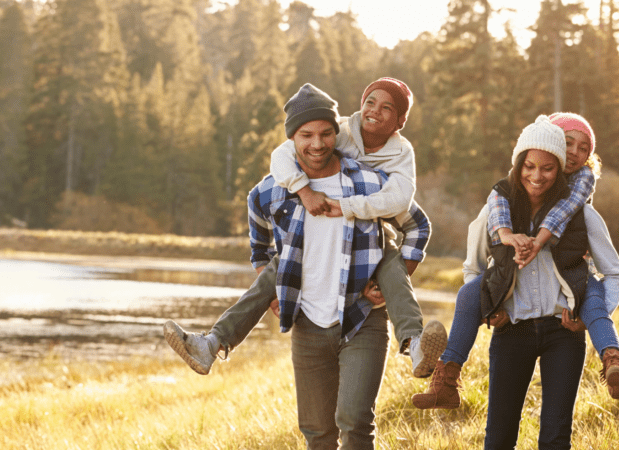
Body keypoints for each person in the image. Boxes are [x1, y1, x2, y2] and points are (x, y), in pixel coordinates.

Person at [239, 84, 431, 450]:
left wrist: (393, 276)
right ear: (293, 139)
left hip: (362, 317)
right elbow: (257, 220)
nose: (319, 143)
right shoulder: (277, 185)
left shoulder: (367, 179)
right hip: (307, 320)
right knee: (317, 434)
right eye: (306, 135)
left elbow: (417, 222)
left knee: (354, 421)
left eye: (326, 133)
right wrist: (268, 280)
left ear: (335, 134)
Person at [164, 78, 446, 380]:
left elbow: (405, 204)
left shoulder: (399, 156)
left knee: (391, 264)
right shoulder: (337, 132)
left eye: (386, 107)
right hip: (314, 238)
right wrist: (303, 191)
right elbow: (283, 155)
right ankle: (211, 344)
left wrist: (391, 277)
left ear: (400, 121)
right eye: (370, 102)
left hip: (374, 238)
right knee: (279, 266)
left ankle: (415, 344)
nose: (374, 111)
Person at [462, 116, 619, 450]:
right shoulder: (498, 209)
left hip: (561, 334)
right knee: (499, 434)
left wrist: (588, 315)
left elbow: (614, 274)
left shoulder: (581, 215)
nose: (539, 174)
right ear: (522, 163)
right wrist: (489, 308)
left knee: (555, 435)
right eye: (531, 166)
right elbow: (472, 269)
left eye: (550, 166)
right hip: (512, 331)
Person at [411, 112, 619, 410]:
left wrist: (540, 241)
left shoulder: (580, 190)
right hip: (513, 299)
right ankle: (446, 376)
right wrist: (492, 301)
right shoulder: (507, 191)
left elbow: (567, 213)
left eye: (584, 149)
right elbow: (483, 239)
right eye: (568, 143)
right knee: (468, 294)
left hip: (571, 281)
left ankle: (613, 358)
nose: (575, 154)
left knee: (592, 298)